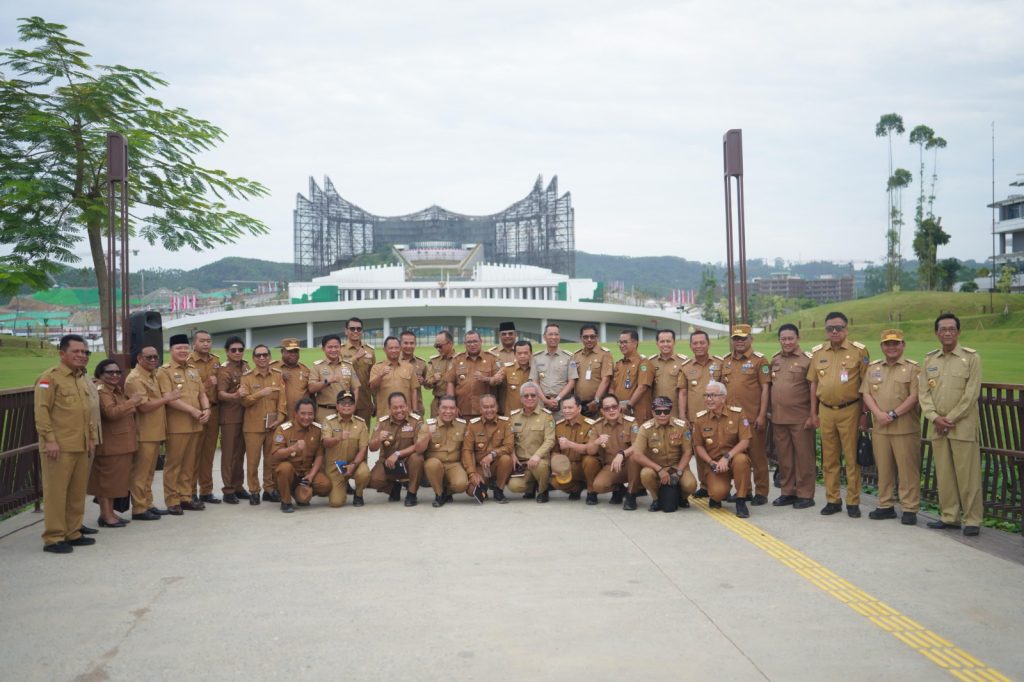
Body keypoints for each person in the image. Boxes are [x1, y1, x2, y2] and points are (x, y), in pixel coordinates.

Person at [919, 313, 983, 536]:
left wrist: (951, 418)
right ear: (936, 333)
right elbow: (923, 393)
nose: (947, 332)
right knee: (944, 475)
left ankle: (972, 519)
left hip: (962, 426)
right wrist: (935, 417)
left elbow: (971, 393)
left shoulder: (971, 358)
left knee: (968, 476)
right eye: (943, 329)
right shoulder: (930, 360)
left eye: (951, 329)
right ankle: (950, 516)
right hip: (937, 426)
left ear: (958, 331)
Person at [34, 334, 98, 553]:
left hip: (80, 445)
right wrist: (49, 440)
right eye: (76, 352)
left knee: (77, 492)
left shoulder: (80, 378)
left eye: (85, 352)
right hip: (58, 447)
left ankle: (72, 532)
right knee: (56, 493)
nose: (81, 356)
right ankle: (53, 537)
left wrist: (90, 437)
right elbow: (42, 412)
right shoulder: (49, 379)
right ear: (62, 354)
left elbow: (86, 412)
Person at [807, 312, 870, 518]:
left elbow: (866, 385)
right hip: (826, 410)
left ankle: (853, 501)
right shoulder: (818, 353)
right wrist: (813, 413)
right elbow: (813, 383)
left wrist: (864, 414)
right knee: (829, 458)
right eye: (830, 328)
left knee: (852, 458)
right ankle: (832, 500)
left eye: (839, 328)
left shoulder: (859, 352)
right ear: (825, 330)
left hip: (850, 410)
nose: (834, 331)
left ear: (846, 329)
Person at [861, 329, 922, 525]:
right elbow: (866, 394)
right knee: (884, 469)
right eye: (888, 344)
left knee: (907, 470)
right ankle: (885, 505)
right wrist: (878, 414)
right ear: (882, 347)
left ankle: (909, 508)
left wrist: (894, 414)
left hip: (904, 427)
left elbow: (915, 396)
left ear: (903, 345)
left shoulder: (913, 369)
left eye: (896, 343)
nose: (892, 347)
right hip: (881, 427)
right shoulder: (873, 368)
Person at [157, 333, 210, 515]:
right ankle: (172, 500)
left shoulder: (193, 370)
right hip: (177, 426)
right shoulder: (164, 371)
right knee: (174, 464)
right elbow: (168, 399)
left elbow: (201, 393)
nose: (182, 351)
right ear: (171, 350)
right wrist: (193, 411)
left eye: (185, 348)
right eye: (178, 348)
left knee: (189, 464)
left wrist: (207, 409)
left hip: (196, 425)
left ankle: (185, 497)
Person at [719, 324, 770, 505]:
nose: (739, 342)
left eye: (743, 338)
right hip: (732, 421)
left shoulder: (759, 361)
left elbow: (765, 389)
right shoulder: (726, 361)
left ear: (751, 339)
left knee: (757, 456)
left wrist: (762, 415)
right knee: (739, 458)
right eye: (736, 339)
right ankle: (744, 491)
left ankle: (762, 491)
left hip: (752, 418)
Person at [125, 345, 176, 520]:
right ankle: (139, 508)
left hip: (154, 431)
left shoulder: (152, 375)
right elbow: (144, 407)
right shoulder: (135, 379)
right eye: (149, 357)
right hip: (143, 432)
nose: (154, 360)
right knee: (140, 473)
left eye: (156, 357)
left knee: (149, 473)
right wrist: (166, 399)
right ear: (139, 359)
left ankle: (148, 503)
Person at [89, 359, 143, 527]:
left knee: (115, 482)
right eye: (110, 372)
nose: (114, 375)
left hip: (120, 443)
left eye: (118, 372)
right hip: (111, 444)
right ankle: (106, 515)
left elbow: (123, 410)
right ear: (100, 374)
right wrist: (131, 402)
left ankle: (109, 513)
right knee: (107, 483)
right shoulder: (102, 390)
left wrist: (127, 405)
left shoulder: (114, 389)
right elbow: (111, 413)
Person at [769, 324, 816, 510]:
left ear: (798, 338)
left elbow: (814, 390)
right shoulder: (775, 360)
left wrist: (813, 414)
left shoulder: (807, 360)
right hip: (779, 418)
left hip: (800, 418)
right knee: (784, 458)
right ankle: (787, 492)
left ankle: (805, 494)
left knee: (803, 458)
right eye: (783, 339)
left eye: (790, 338)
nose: (787, 342)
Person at [692, 381, 753, 518]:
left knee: (741, 460)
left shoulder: (737, 414)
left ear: (723, 398)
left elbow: (745, 441)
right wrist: (710, 462)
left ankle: (741, 500)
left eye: (713, 395)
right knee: (717, 494)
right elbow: (698, 446)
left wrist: (727, 457)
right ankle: (720, 491)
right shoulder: (700, 419)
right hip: (714, 464)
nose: (708, 399)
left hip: (733, 459)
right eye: (706, 395)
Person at [631, 396, 697, 511]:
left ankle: (682, 497)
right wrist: (659, 469)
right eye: (658, 411)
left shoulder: (681, 426)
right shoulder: (645, 428)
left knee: (691, 485)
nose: (662, 415)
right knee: (646, 474)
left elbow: (688, 452)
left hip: (677, 465)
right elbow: (637, 454)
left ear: (670, 411)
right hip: (656, 466)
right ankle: (656, 499)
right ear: (652, 412)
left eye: (666, 411)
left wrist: (679, 472)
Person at [677, 330, 722, 498]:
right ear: (690, 346)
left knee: (716, 450)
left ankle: (719, 484)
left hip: (716, 417)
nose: (699, 346)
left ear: (708, 343)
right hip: (695, 418)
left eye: (702, 342)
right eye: (695, 343)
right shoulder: (686, 367)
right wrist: (682, 415)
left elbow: (725, 391)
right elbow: (682, 393)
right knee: (699, 450)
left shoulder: (719, 364)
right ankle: (704, 484)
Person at [240, 344, 287, 504]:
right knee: (253, 461)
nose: (262, 358)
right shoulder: (247, 377)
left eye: (265, 355)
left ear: (269, 357)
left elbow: (283, 399)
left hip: (272, 425)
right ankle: (254, 490)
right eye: (258, 355)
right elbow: (244, 401)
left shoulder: (277, 375)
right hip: (253, 426)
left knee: (270, 460)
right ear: (253, 358)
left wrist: (280, 418)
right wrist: (260, 393)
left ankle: (269, 488)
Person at [270, 398, 331, 513]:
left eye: (310, 414)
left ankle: (300, 492)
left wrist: (312, 475)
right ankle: (286, 500)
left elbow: (319, 455)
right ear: (295, 414)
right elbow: (276, 454)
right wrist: (292, 448)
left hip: (305, 473)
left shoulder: (317, 429)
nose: (306, 417)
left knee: (325, 486)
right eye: (303, 413)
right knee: (285, 468)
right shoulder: (284, 429)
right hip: (289, 473)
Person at [368, 392, 428, 506]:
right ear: (389, 408)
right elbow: (372, 448)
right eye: (395, 408)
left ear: (407, 406)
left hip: (407, 461)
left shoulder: (416, 420)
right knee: (373, 480)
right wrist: (378, 439)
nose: (399, 410)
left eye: (402, 406)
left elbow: (418, 445)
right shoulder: (382, 422)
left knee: (417, 458)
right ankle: (393, 488)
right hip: (388, 462)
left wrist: (398, 454)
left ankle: (412, 493)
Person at [582, 395, 637, 507]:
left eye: (614, 407)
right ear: (602, 411)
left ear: (620, 408)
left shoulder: (631, 423)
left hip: (629, 466)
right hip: (611, 466)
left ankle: (632, 494)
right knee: (599, 486)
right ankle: (619, 488)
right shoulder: (597, 426)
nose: (611, 410)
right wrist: (597, 442)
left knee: (634, 458)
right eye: (607, 408)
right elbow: (590, 451)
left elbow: (638, 446)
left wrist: (622, 454)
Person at [506, 382, 556, 502]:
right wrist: (512, 454)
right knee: (514, 486)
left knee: (540, 467)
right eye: (526, 395)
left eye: (533, 395)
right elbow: (509, 439)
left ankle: (543, 491)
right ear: (521, 398)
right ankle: (531, 487)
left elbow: (550, 440)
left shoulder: (547, 416)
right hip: (522, 463)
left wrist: (537, 456)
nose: (530, 398)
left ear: (538, 397)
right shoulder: (514, 417)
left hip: (540, 460)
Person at [188, 330, 222, 505]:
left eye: (208, 340)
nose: (206, 344)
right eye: (202, 341)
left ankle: (206, 491)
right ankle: (191, 491)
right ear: (194, 343)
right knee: (194, 453)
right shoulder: (188, 362)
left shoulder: (215, 360)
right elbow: (187, 389)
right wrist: (206, 385)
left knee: (209, 454)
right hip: (197, 412)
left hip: (214, 411)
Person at [321, 391, 370, 507]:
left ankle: (358, 494)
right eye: (343, 403)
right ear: (337, 406)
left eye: (350, 403)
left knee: (364, 473)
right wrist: (338, 438)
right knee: (336, 503)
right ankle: (341, 487)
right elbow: (326, 443)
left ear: (354, 406)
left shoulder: (361, 423)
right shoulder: (329, 421)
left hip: (354, 464)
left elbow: (363, 449)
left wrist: (354, 464)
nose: (347, 406)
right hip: (335, 468)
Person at [462, 394, 514, 503]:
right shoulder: (473, 425)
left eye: (492, 406)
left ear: (497, 407)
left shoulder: (505, 423)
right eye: (485, 407)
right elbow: (467, 450)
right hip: (481, 466)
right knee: (471, 490)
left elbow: (509, 446)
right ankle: (484, 488)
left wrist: (493, 454)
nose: (489, 410)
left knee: (506, 459)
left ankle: (499, 490)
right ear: (480, 409)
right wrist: (472, 473)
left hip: (497, 464)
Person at [217, 336, 249, 503]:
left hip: (245, 415)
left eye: (240, 349)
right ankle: (228, 489)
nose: (237, 352)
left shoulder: (245, 365)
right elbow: (220, 394)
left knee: (240, 454)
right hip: (230, 416)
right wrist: (235, 395)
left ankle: (238, 486)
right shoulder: (224, 369)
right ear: (227, 351)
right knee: (229, 455)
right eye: (233, 350)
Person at [423, 395, 469, 507]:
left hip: (454, 464)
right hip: (434, 464)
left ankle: (446, 491)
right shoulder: (429, 425)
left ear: (456, 410)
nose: (448, 411)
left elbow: (467, 449)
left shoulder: (462, 425)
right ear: (438, 409)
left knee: (461, 485)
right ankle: (439, 495)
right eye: (444, 408)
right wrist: (428, 435)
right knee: (433, 464)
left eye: (452, 408)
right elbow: (419, 449)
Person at [446, 329, 499, 419]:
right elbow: (450, 382)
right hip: (462, 411)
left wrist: (485, 379)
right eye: (469, 342)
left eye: (475, 341)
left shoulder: (491, 359)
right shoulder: (457, 360)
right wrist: (452, 406)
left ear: (481, 341)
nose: (472, 345)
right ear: (465, 344)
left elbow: (498, 380)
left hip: (486, 412)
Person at [308, 334, 360, 424]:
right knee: (324, 437)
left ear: (340, 348)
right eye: (330, 347)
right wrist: (327, 381)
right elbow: (311, 388)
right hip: (325, 411)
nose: (333, 350)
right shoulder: (317, 366)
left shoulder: (348, 366)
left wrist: (353, 406)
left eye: (336, 347)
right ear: (323, 349)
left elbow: (355, 388)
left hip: (345, 411)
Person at [551, 395, 595, 499]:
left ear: (579, 408)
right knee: (554, 482)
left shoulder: (590, 425)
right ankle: (576, 488)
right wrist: (556, 465)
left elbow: (590, 449)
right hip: (568, 466)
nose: (566, 411)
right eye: (564, 408)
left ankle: (591, 490)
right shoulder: (559, 426)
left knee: (590, 460)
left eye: (570, 408)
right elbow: (555, 451)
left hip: (584, 466)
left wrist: (570, 444)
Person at [530, 323, 578, 419]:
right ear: (544, 337)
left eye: (556, 334)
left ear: (559, 337)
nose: (554, 337)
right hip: (542, 403)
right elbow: (534, 382)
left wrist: (557, 399)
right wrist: (545, 400)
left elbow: (572, 382)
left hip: (562, 405)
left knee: (562, 431)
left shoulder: (568, 357)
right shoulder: (536, 357)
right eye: (550, 334)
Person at [369, 336, 419, 417]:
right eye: (391, 348)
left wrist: (414, 410)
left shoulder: (408, 367)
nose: (394, 350)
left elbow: (413, 390)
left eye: (396, 348)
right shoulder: (377, 367)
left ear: (400, 349)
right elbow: (372, 386)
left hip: (405, 414)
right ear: (384, 350)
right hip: (385, 414)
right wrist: (380, 375)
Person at [611, 329, 653, 423]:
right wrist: (613, 406)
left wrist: (629, 405)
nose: (622, 345)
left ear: (635, 343)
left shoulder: (643, 363)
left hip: (636, 412)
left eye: (625, 342)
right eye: (620, 342)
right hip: (619, 412)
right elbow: (612, 387)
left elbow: (642, 387)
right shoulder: (619, 364)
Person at [339, 317, 376, 422]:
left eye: (359, 329)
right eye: (352, 329)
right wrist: (356, 357)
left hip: (364, 400)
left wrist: (375, 401)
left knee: (363, 433)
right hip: (344, 400)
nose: (356, 331)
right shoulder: (340, 349)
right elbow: (340, 370)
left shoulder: (370, 351)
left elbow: (372, 378)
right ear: (346, 331)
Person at [573, 323, 613, 419]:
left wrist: (596, 400)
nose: (589, 340)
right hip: (579, 405)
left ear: (597, 337)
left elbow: (606, 380)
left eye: (592, 336)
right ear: (581, 338)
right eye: (585, 337)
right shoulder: (576, 356)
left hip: (596, 405)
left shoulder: (605, 354)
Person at [649, 329, 688, 417]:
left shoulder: (683, 362)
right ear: (657, 344)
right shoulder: (651, 362)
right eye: (662, 341)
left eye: (668, 341)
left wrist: (683, 415)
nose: (665, 344)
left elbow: (685, 391)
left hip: (676, 412)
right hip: (657, 412)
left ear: (674, 342)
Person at [271, 337, 312, 421]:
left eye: (296, 351)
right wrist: (279, 377)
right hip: (279, 416)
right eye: (289, 351)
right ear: (282, 352)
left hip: (300, 417)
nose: (293, 354)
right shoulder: (272, 368)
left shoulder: (305, 369)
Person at [489, 339, 533, 416]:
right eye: (519, 353)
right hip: (513, 415)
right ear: (515, 354)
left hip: (532, 414)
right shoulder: (507, 369)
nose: (522, 356)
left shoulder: (536, 369)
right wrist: (495, 379)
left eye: (525, 353)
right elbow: (493, 382)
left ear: (531, 354)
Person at [424, 330, 457, 418]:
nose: (438, 349)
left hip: (456, 402)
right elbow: (426, 385)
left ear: (450, 343)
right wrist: (433, 380)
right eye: (436, 346)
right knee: (435, 429)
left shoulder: (460, 360)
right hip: (438, 403)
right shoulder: (434, 361)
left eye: (440, 346)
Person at [400, 330, 428, 414]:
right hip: (398, 408)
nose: (409, 346)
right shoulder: (393, 362)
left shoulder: (421, 363)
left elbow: (429, 384)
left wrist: (423, 381)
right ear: (400, 344)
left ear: (415, 344)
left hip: (417, 408)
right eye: (406, 343)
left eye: (412, 343)